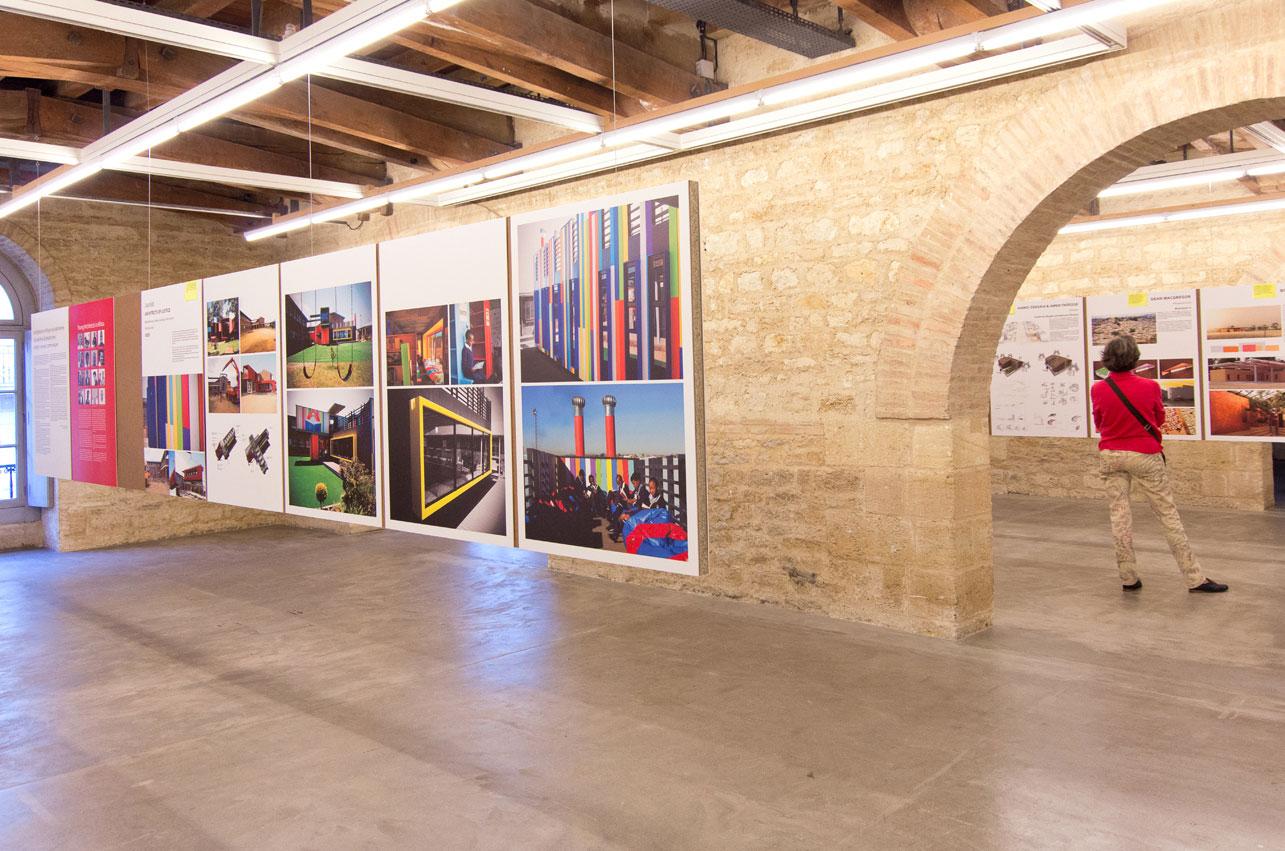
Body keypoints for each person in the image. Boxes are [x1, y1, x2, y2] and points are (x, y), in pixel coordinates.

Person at [1091, 335, 1227, 593]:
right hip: (1144, 454)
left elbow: (1099, 422)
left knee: (1119, 516)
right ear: (1134, 358)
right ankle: (1194, 577)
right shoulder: (1149, 386)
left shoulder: (1098, 388)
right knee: (1167, 515)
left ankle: (1128, 577)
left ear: (1107, 358)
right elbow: (1159, 418)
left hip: (1111, 454)